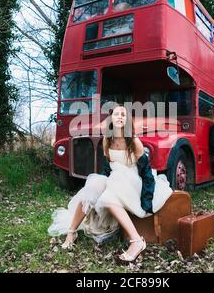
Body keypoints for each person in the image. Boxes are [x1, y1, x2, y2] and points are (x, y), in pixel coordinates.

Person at [48, 104, 173, 262]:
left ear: (127, 120)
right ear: (111, 119)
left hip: (133, 181)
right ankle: (71, 232)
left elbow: (147, 174)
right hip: (114, 178)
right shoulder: (107, 141)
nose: (120, 117)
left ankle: (137, 241)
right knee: (90, 188)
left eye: (123, 115)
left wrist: (146, 200)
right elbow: (107, 169)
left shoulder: (134, 142)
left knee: (108, 197)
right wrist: (98, 183)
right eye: (117, 114)